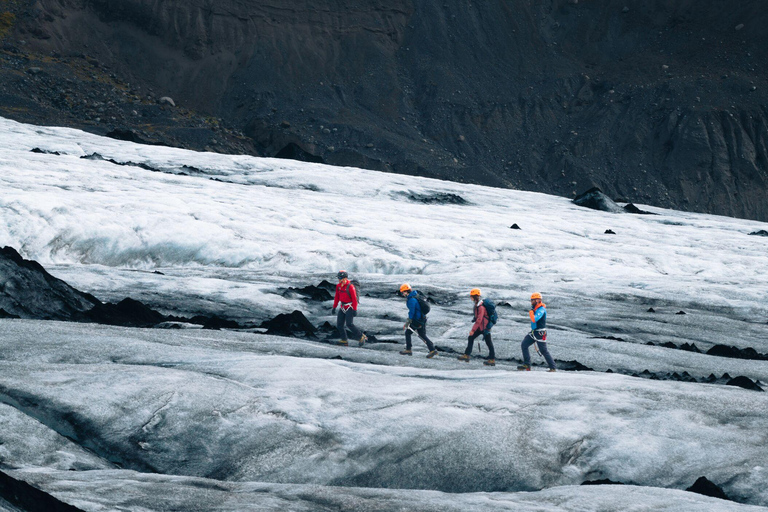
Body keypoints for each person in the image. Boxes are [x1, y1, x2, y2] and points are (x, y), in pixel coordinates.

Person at [457, 288, 496, 366]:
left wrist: (473, 329)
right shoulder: (477, 305)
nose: (470, 297)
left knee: (488, 342)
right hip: (481, 327)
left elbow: (479, 319)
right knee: (471, 338)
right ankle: (467, 355)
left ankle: (492, 360)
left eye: (471, 296)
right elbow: (477, 317)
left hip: (485, 328)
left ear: (474, 297)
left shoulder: (481, 307)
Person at [518, 292, 556, 371]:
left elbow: (534, 319)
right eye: (531, 300)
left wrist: (531, 312)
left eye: (532, 300)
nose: (531, 302)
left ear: (538, 300)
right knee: (524, 344)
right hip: (534, 332)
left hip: (540, 333)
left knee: (543, 350)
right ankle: (527, 364)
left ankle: (553, 367)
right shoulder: (536, 309)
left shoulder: (541, 309)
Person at [398, 284, 438, 358]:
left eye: (403, 292)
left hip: (417, 320)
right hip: (422, 318)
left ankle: (408, 350)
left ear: (406, 291)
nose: (402, 294)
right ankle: (432, 349)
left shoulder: (411, 300)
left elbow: (412, 312)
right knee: (422, 335)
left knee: (408, 333)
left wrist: (408, 322)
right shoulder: (415, 296)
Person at [331, 271, 367, 346]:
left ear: (345, 278)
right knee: (339, 325)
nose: (339, 280)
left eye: (340, 278)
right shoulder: (338, 286)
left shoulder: (350, 286)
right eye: (338, 278)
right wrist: (334, 307)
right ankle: (344, 340)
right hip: (342, 306)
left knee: (349, 324)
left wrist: (354, 309)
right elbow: (337, 297)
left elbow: (354, 299)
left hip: (350, 307)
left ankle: (361, 336)